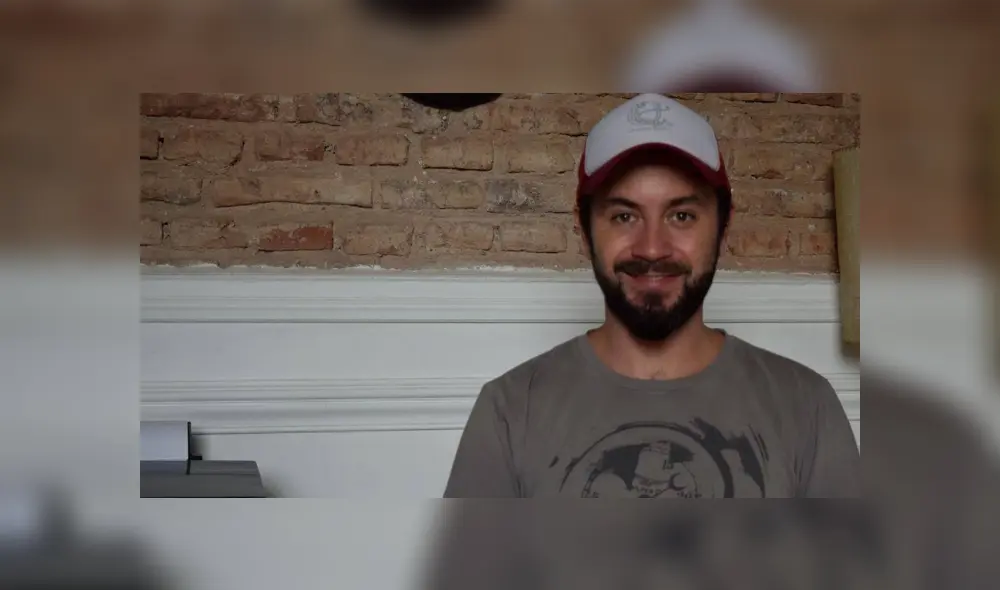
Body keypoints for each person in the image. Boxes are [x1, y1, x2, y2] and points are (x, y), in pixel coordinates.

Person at [443, 93, 860, 498]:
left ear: (724, 224)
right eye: (624, 215)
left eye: (682, 216)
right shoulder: (511, 411)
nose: (653, 247)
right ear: (584, 228)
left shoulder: (807, 407)